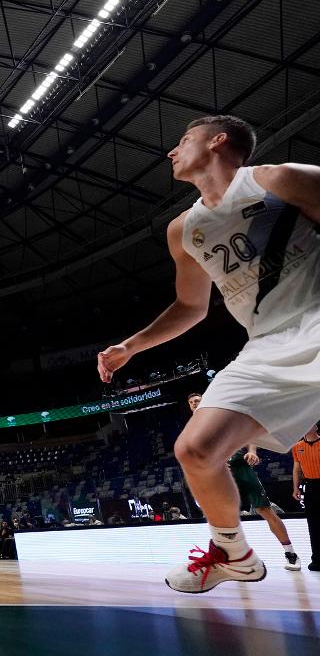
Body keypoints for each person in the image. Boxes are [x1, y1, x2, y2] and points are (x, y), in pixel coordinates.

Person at [97, 116, 320, 593]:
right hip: (265, 345)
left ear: (217, 141)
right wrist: (131, 346)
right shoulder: (184, 229)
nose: (171, 152)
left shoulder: (277, 179)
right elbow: (190, 307)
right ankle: (232, 553)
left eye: (182, 139)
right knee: (195, 450)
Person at [187, 392, 299, 570]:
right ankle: (236, 560)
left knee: (266, 510)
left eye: (198, 400)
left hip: (241, 469)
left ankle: (291, 554)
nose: (195, 403)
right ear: (189, 407)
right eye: (192, 402)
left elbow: (249, 435)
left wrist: (252, 452)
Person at [291, 421, 320, 571]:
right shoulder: (297, 447)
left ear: (316, 427)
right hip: (310, 486)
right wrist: (296, 488)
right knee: (313, 524)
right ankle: (317, 559)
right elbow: (296, 470)